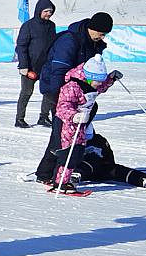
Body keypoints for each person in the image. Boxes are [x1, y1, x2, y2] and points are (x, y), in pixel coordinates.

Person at [32, 11, 111, 182]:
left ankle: (66, 166)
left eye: (105, 34)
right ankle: (47, 173)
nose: (102, 37)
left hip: (77, 91)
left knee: (75, 130)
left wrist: (107, 80)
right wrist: (61, 97)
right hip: (58, 89)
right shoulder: (70, 40)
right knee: (61, 133)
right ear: (92, 28)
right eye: (101, 33)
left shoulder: (94, 43)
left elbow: (90, 73)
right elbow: (59, 69)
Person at [48, 56, 122, 193]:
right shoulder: (72, 87)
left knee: (77, 152)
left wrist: (111, 79)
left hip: (81, 124)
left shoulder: (92, 85)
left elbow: (100, 87)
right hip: (67, 124)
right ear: (88, 76)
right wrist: (74, 116)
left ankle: (66, 179)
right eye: (97, 81)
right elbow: (63, 106)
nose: (98, 84)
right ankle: (59, 182)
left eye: (100, 81)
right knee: (68, 153)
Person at [13, 0, 57, 127]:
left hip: (46, 67)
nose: (48, 13)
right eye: (46, 11)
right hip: (30, 67)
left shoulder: (51, 26)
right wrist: (23, 65)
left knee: (49, 93)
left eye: (51, 11)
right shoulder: (28, 25)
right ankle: (19, 119)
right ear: (39, 11)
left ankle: (43, 117)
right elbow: (21, 46)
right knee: (26, 92)